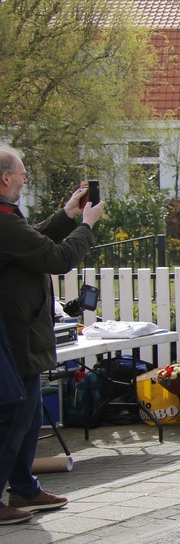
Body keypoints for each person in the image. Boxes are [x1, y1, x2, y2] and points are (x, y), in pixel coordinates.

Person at [0, 151, 102, 522]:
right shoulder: (3, 220)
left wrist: (68, 214)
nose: (25, 179)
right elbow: (56, 258)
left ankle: (24, 488)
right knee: (14, 415)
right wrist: (86, 225)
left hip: (20, 329)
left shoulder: (9, 219)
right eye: (22, 173)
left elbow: (34, 242)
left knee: (27, 416)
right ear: (5, 178)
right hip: (14, 333)